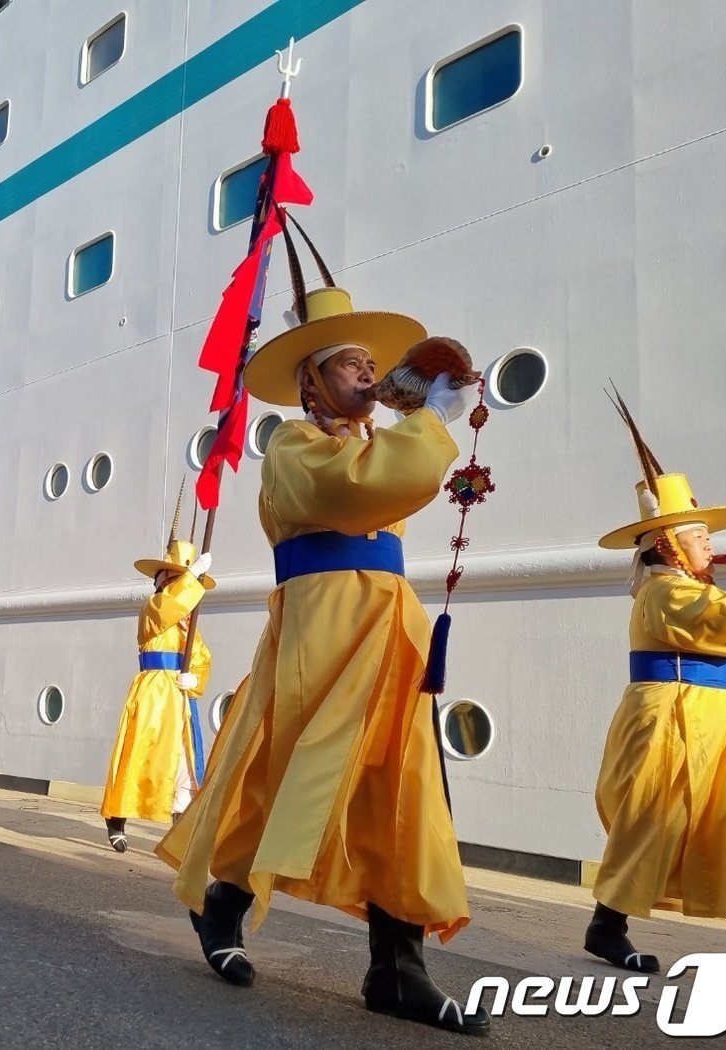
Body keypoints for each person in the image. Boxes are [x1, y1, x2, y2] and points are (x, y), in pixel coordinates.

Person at [156, 285, 488, 1035]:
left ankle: (396, 969)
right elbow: (355, 494)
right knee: (292, 777)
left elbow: (391, 476)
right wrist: (430, 417)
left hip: (386, 628)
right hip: (323, 628)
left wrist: (424, 411)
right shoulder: (293, 447)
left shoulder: (373, 441)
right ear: (311, 382)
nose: (368, 372)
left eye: (374, 362)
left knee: (398, 791)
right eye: (350, 362)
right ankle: (224, 904)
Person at [588, 417, 726, 989]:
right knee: (655, 825)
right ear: (667, 545)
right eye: (699, 535)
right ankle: (606, 926)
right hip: (675, 722)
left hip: (722, 721)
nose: (710, 542)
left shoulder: (689, 587)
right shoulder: (665, 592)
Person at [100, 511, 213, 852]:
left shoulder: (186, 625)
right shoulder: (154, 608)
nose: (179, 585)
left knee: (182, 760)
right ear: (163, 581)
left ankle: (180, 829)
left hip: (177, 696)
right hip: (152, 692)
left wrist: (194, 679)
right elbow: (170, 606)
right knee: (139, 753)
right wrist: (192, 576)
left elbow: (202, 657)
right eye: (174, 579)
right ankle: (116, 818)